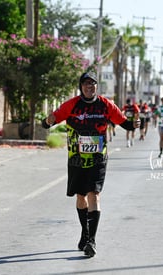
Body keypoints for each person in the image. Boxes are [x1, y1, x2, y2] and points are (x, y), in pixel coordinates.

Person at [42, 72, 140, 257]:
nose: (90, 87)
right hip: (77, 158)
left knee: (94, 194)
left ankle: (91, 241)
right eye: (87, 84)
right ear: (81, 86)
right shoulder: (72, 104)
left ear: (96, 86)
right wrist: (48, 121)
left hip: (98, 157)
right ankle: (85, 233)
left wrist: (135, 125)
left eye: (93, 84)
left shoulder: (105, 104)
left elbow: (124, 123)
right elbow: (48, 122)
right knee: (81, 197)